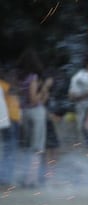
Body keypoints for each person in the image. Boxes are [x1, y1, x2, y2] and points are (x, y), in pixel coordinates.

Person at [17, 49, 53, 187]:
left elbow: (26, 100)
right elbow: (34, 100)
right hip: (35, 113)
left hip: (24, 113)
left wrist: (43, 95)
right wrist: (44, 88)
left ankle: (26, 177)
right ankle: (31, 180)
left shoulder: (21, 78)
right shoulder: (33, 77)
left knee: (27, 147)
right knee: (37, 148)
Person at [0, 70, 21, 187]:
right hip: (10, 120)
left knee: (9, 149)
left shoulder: (4, 85)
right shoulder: (3, 85)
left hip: (9, 120)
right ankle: (5, 178)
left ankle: (5, 177)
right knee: (10, 149)